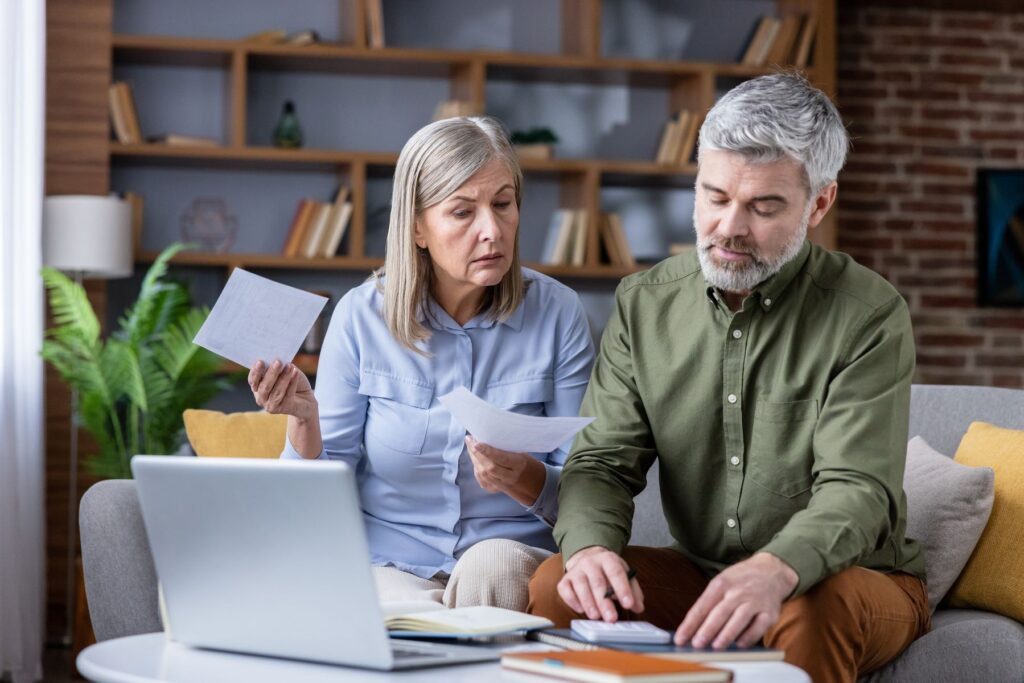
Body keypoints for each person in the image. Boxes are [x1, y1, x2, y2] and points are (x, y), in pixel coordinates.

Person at [527, 73, 929, 683]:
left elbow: (858, 489)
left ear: (818, 204)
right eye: (715, 197)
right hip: (699, 573)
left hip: (850, 582)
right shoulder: (644, 303)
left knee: (813, 609)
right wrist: (587, 548)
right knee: (560, 585)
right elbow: (603, 462)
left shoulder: (869, 314)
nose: (729, 228)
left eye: (764, 206)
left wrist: (777, 568)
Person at [249, 116, 594, 611]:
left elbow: (588, 486)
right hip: (390, 563)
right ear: (417, 227)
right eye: (462, 212)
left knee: (490, 565)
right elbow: (319, 496)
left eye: (503, 204)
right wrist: (305, 423)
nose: (492, 230)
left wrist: (522, 477)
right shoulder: (361, 317)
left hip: (506, 561)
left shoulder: (558, 314)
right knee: (385, 607)